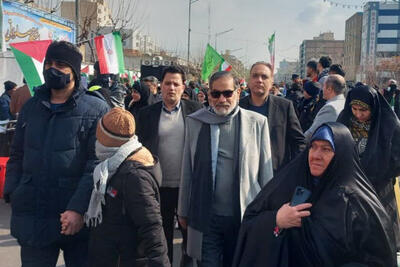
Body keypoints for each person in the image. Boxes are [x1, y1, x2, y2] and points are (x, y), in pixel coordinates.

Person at [3, 41, 109, 266]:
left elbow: (96, 163)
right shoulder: (32, 107)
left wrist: (77, 209)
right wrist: (13, 191)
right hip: (34, 216)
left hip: (77, 219)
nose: (53, 68)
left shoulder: (96, 109)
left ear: (75, 71)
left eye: (61, 64)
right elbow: (17, 154)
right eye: (49, 63)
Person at [232, 122, 397, 267]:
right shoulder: (292, 181)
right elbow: (251, 220)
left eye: (326, 149)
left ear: (341, 154)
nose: (316, 155)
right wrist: (276, 220)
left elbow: (379, 259)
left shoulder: (356, 202)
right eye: (313, 146)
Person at [178, 71, 273, 267]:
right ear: (209, 94)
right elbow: (187, 169)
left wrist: (268, 214)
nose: (222, 99)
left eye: (228, 93)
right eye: (216, 94)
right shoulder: (196, 122)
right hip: (206, 216)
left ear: (238, 93)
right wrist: (183, 211)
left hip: (243, 216)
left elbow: (266, 173)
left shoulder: (257, 123)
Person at [86, 107, 170, 267]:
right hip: (112, 254)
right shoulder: (115, 163)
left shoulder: (134, 176)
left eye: (99, 136)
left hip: (125, 258)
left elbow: (151, 225)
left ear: (107, 139)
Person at [136, 66, 201, 266]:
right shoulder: (147, 114)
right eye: (167, 83)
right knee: (161, 240)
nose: (171, 88)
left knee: (190, 238)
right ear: (159, 87)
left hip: (187, 188)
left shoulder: (197, 112)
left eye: (176, 84)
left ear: (183, 88)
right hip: (158, 187)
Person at [337, 84, 400, 248]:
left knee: (381, 234)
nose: (358, 114)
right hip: (350, 184)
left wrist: (378, 169)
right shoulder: (344, 120)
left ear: (373, 107)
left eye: (363, 110)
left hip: (379, 186)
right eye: (355, 109)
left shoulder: (389, 125)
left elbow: (397, 159)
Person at [240, 62, 305, 174]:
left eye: (264, 77)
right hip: (244, 175)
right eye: (255, 76)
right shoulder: (238, 108)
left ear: (271, 83)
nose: (259, 80)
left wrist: (293, 172)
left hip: (276, 176)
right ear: (249, 81)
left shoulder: (285, 107)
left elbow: (299, 142)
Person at [305, 74, 346, 139]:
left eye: (323, 86)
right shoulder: (344, 103)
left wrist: (299, 143)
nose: (322, 89)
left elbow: (313, 132)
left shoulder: (330, 108)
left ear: (329, 89)